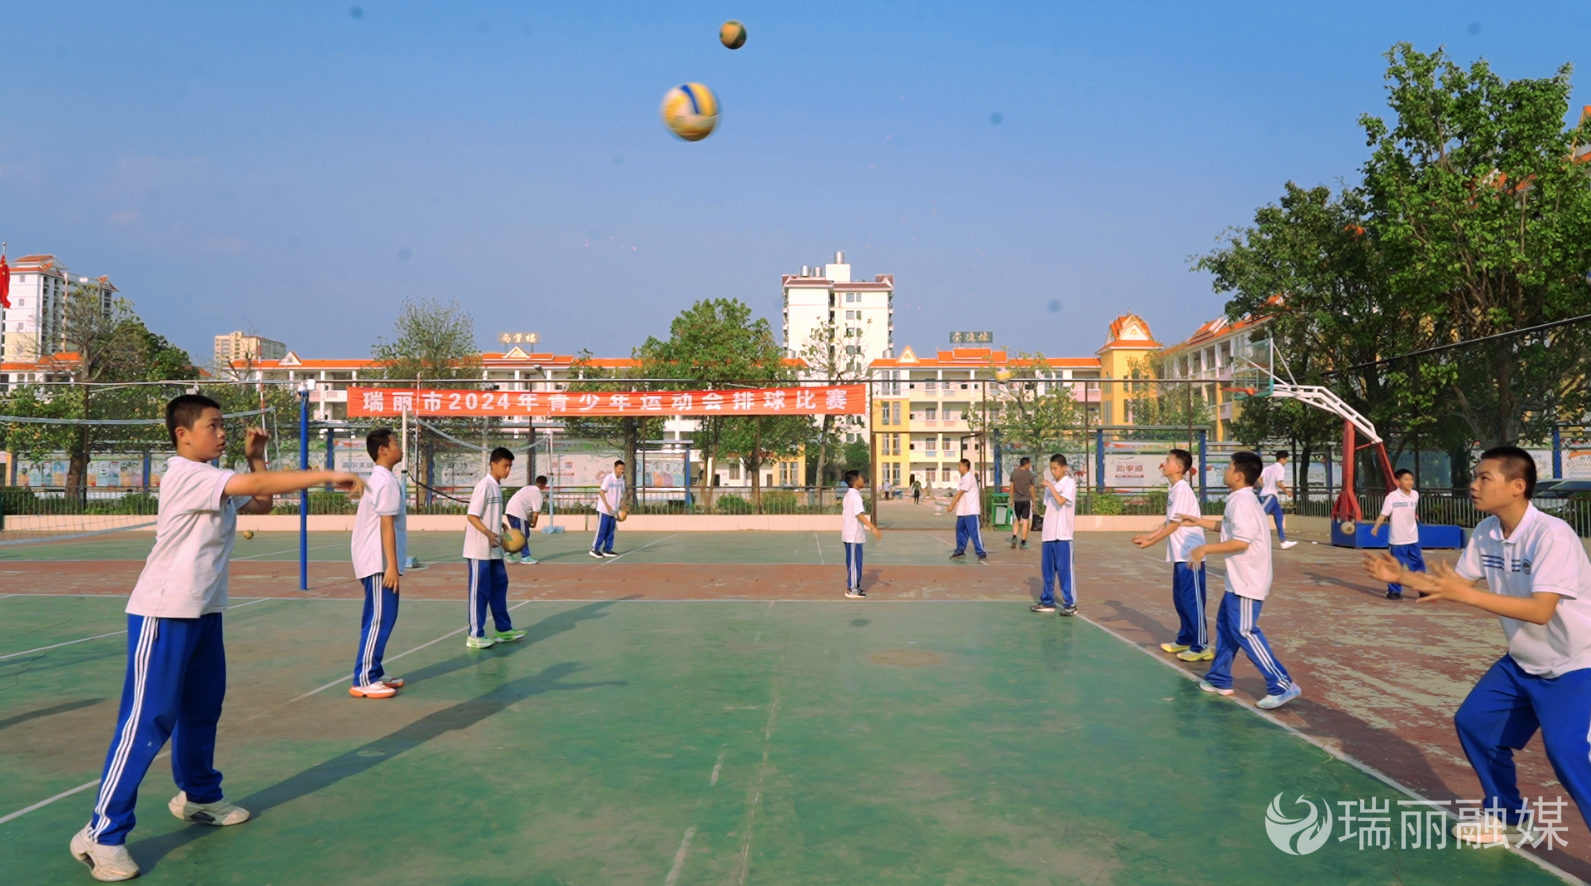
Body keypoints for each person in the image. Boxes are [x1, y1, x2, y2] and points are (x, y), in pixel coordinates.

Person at [70, 395, 364, 882]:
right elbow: (258, 488)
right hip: (164, 612)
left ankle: (200, 797)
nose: (222, 432)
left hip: (204, 610)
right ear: (183, 434)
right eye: (213, 425)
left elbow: (260, 501)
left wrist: (256, 457)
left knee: (203, 709)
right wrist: (327, 474)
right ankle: (102, 833)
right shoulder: (186, 475)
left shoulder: (213, 477)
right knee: (147, 722)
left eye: (223, 425)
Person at [1364, 446, 1591, 846]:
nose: (1473, 484)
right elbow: (1455, 585)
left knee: (1567, 751)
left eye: (1485, 477)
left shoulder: (1551, 535)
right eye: (1474, 476)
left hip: (1576, 663)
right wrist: (1403, 577)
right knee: (1476, 724)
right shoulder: (1487, 532)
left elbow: (1540, 610)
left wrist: (1465, 595)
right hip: (1524, 661)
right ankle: (1508, 817)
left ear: (1517, 486)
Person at [1178, 451, 1301, 710]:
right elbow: (1228, 529)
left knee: (1244, 630)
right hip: (1239, 579)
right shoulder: (1240, 499)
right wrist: (1197, 521)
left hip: (1248, 580)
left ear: (1238, 475)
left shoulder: (1242, 502)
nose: (1225, 470)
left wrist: (1204, 549)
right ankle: (1219, 678)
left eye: (1229, 467)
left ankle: (1282, 683)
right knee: (1226, 627)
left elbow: (1241, 542)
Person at [1132, 449, 1209, 661]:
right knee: (1181, 599)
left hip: (1191, 554)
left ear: (1179, 468)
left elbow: (1174, 525)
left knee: (1192, 600)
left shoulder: (1182, 489)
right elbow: (1169, 522)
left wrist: (1151, 542)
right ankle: (1186, 638)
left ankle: (1201, 645)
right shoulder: (1174, 489)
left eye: (1168, 461)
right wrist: (1149, 536)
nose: (1163, 464)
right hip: (1179, 554)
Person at [349, 428, 408, 700]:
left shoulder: (382, 479)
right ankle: (363, 678)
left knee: (385, 616)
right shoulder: (384, 481)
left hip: (378, 561)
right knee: (378, 619)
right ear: (383, 450)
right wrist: (391, 566)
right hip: (378, 562)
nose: (400, 447)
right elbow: (386, 525)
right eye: (395, 443)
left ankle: (375, 670)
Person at [464, 448, 527, 650]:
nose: (508, 470)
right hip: (479, 550)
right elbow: (472, 515)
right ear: (493, 464)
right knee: (479, 592)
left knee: (499, 587)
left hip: (495, 550)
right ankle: (475, 635)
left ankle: (503, 629)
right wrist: (489, 533)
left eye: (510, 466)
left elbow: (488, 514)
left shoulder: (496, 487)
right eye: (505, 466)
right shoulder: (484, 486)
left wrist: (501, 526)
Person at [1031, 454, 1077, 615]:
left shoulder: (1069, 483)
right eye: (1051, 468)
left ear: (1064, 468)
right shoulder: (1051, 486)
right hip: (1049, 534)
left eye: (1055, 468)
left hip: (1063, 534)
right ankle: (1047, 601)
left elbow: (1061, 501)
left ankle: (1070, 603)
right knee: (1047, 571)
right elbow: (1049, 507)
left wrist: (1051, 486)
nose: (1053, 471)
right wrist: (1050, 486)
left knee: (1065, 571)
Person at [1370, 469, 1422, 600]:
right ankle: (1393, 591)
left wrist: (1415, 516)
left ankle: (1423, 588)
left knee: (1417, 564)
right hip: (1398, 539)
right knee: (1396, 566)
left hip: (1413, 537)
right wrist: (1376, 527)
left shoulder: (1415, 495)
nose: (1409, 482)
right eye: (1406, 479)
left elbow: (1412, 509)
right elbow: (1384, 514)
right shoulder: (1392, 497)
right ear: (1398, 481)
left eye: (1411, 479)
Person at [841, 469, 882, 598]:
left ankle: (855, 587)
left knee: (854, 562)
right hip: (853, 535)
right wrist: (872, 527)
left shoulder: (848, 495)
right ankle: (852, 589)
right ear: (856, 481)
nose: (863, 480)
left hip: (851, 534)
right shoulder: (855, 497)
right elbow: (859, 514)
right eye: (861, 477)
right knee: (854, 563)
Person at [948, 458, 986, 563]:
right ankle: (960, 550)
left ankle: (981, 551)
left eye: (959, 466)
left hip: (971, 510)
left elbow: (960, 493)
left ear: (965, 467)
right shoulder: (962, 479)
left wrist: (952, 505)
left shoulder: (970, 478)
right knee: (960, 530)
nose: (958, 468)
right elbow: (959, 493)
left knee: (974, 532)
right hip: (962, 511)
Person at [505, 475, 549, 565]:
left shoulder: (527, 488)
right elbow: (535, 514)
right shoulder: (538, 495)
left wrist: (528, 520)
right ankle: (525, 556)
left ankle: (508, 552)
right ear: (543, 486)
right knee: (523, 535)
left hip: (509, 510)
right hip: (518, 512)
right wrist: (534, 524)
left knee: (519, 534)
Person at [1259, 450, 1298, 550]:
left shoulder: (1268, 468)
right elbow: (1279, 483)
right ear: (1282, 459)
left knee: (1279, 516)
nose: (1287, 461)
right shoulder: (1280, 468)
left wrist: (1264, 487)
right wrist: (1287, 492)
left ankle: (1283, 541)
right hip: (1269, 496)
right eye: (1286, 459)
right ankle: (1249, 538)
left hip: (1272, 496)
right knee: (1260, 516)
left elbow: (1259, 478)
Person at [590, 460, 626, 559]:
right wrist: (607, 505)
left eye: (623, 469)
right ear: (615, 468)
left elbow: (620, 495)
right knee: (602, 530)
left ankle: (607, 549)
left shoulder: (621, 480)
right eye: (620, 468)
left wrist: (623, 505)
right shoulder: (608, 478)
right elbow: (602, 492)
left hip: (614, 511)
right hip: (604, 510)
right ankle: (595, 549)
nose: (622, 471)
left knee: (611, 531)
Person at [1009, 456, 1036, 550]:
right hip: (1026, 500)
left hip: (1017, 500)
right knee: (1025, 520)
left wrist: (1011, 499)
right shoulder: (1030, 475)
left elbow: (1012, 487)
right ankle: (1023, 542)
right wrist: (1034, 501)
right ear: (1027, 464)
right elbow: (1032, 489)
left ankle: (1014, 536)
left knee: (1016, 519)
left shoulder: (1014, 473)